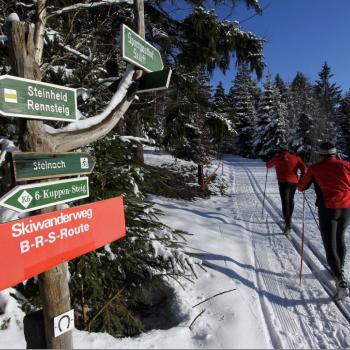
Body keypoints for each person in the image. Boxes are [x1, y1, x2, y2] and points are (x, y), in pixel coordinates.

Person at [298, 141, 350, 301]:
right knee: (340, 238)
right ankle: (338, 268)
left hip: (328, 209)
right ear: (334, 153)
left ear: (321, 154)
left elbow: (301, 187)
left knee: (330, 244)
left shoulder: (315, 168)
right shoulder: (347, 164)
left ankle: (340, 280)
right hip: (347, 207)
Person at [266, 146, 307, 237]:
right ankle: (288, 218)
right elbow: (304, 169)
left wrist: (272, 157)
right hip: (294, 182)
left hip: (283, 182)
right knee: (290, 199)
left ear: (279, 151)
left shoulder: (277, 158)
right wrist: (301, 178)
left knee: (285, 202)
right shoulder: (295, 157)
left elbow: (268, 165)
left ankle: (288, 224)